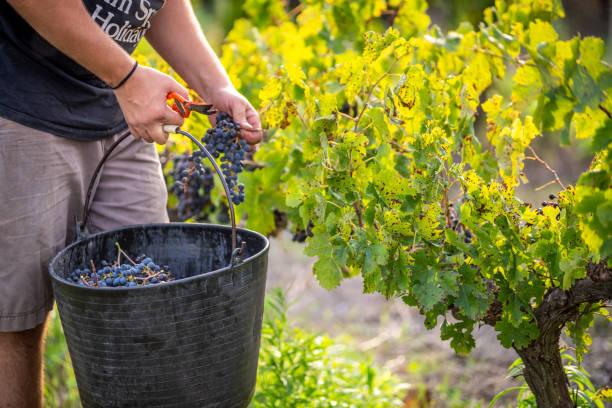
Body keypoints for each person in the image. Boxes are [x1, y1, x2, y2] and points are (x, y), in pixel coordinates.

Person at [0, 1, 262, 406]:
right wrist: (126, 77)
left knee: (148, 301)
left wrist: (215, 86)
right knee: (15, 323)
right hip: (20, 102)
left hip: (116, 111)